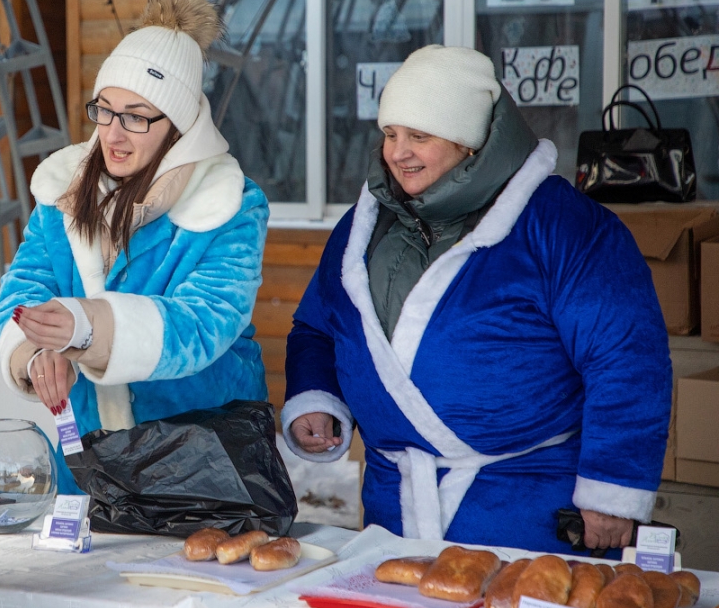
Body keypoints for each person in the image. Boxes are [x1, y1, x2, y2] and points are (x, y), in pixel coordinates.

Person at [283, 44, 671, 555]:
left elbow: (627, 358)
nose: (398, 152)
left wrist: (613, 488)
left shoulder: (564, 226)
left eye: (419, 136)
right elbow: (317, 327)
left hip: (526, 519)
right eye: (390, 134)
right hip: (391, 517)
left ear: (470, 144)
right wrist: (317, 396)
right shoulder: (362, 228)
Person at [0, 0, 269, 487]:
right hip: (88, 459)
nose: (112, 134)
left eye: (136, 117)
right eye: (103, 109)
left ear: (180, 124)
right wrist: (35, 351)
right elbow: (26, 283)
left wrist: (87, 326)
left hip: (202, 461)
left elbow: (206, 321)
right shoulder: (62, 190)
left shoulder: (229, 201)